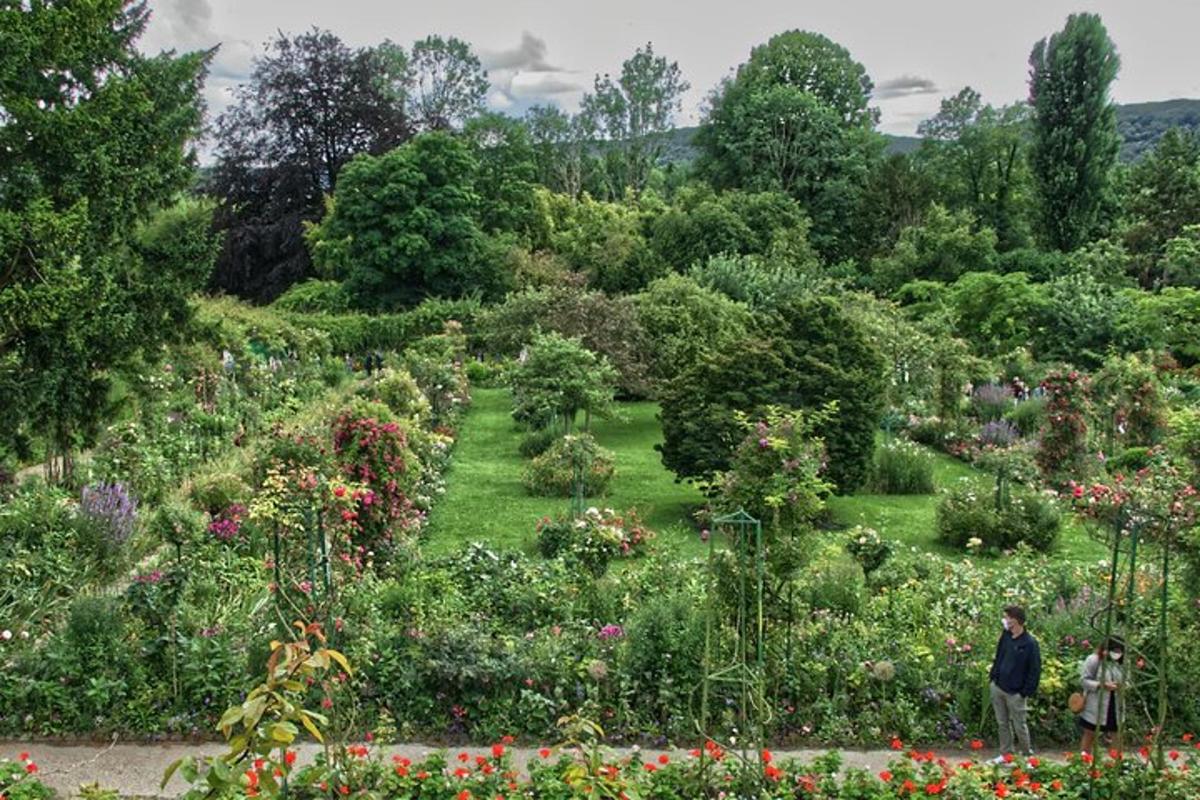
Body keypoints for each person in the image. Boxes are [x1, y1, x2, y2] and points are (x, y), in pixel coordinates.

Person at [988, 605, 1041, 762]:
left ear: (1016, 621)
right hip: (998, 686)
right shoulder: (1006, 636)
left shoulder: (1030, 643)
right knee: (1002, 723)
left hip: (1016, 692)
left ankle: (1026, 756)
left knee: (1020, 725)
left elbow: (1034, 670)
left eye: (1008, 618)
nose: (1005, 620)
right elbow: (999, 656)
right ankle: (1006, 754)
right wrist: (993, 676)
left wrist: (1025, 692)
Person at [1079, 637, 1124, 755]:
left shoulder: (1121, 663)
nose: (1117, 654)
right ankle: (1083, 762)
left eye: (1119, 651)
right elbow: (1084, 680)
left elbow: (1127, 680)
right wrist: (1101, 685)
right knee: (1090, 733)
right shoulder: (1094, 660)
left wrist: (1121, 686)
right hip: (1096, 704)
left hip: (1115, 703)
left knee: (1117, 734)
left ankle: (1116, 765)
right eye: (1115, 650)